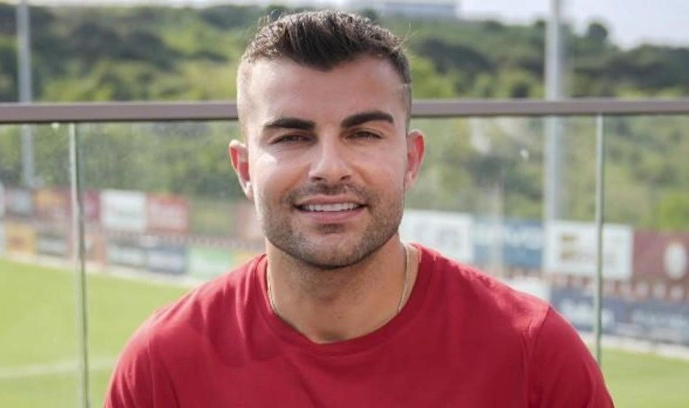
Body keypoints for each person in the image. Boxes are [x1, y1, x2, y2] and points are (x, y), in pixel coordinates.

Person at [105, 9, 613, 407]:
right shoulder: (162, 362)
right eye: (292, 136)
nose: (329, 168)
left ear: (411, 160)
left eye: (364, 134)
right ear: (244, 169)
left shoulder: (532, 353)